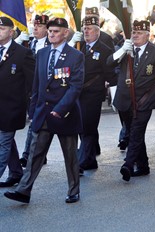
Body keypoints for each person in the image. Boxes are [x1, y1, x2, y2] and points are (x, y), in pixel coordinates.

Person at [4, 18, 84, 204]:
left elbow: (75, 87)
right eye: (50, 31)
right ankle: (24, 190)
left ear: (65, 33)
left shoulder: (75, 56)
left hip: (65, 114)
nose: (52, 34)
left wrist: (61, 108)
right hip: (43, 112)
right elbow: (37, 85)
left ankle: (74, 190)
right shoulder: (41, 53)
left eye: (56, 31)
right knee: (35, 154)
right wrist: (33, 110)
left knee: (70, 156)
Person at [107, 20, 155, 182]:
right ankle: (143, 166)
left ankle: (128, 164)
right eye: (133, 32)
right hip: (124, 100)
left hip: (144, 100)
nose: (135, 35)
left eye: (139, 33)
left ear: (148, 35)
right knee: (131, 131)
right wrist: (121, 52)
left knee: (136, 132)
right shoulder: (125, 47)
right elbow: (108, 64)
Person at [78, 16, 117, 170]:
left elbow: (110, 74)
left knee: (88, 125)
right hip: (79, 93)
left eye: (89, 29)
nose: (86, 32)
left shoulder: (104, 50)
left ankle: (83, 160)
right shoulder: (78, 46)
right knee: (81, 125)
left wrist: (113, 95)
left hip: (93, 93)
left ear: (97, 32)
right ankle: (90, 158)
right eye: (84, 29)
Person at [0, 17, 35, 187]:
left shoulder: (22, 53)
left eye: (2, 29)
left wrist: (28, 104)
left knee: (3, 144)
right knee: (6, 142)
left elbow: (32, 82)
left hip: (11, 108)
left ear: (11, 32)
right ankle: (15, 172)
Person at [15, 14, 51, 168]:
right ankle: (33, 154)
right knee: (35, 122)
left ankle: (29, 154)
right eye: (34, 25)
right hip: (29, 89)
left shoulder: (51, 44)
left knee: (39, 123)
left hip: (45, 89)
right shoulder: (28, 43)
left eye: (40, 26)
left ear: (47, 29)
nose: (35, 28)